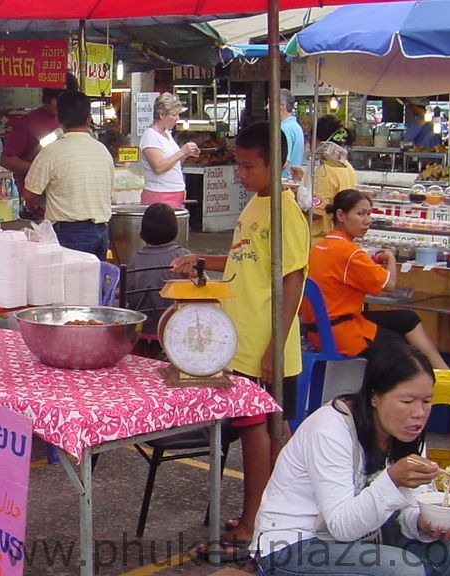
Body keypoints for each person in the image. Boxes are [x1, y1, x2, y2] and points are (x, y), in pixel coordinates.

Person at [171, 121, 309, 561]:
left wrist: (272, 348)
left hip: (265, 346)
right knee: (265, 436)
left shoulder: (285, 212)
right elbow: (241, 259)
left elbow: (292, 281)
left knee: (259, 436)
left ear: (278, 164)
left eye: (249, 166)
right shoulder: (255, 205)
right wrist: (201, 258)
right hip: (241, 341)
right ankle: (264, 514)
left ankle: (252, 526)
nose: (240, 173)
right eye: (238, 164)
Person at [253, 343, 450, 576]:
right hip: (293, 544)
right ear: (374, 397)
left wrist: (422, 522)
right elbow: (341, 526)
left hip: (363, 536)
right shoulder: (329, 430)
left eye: (427, 401)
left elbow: (410, 505)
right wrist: (392, 480)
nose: (419, 413)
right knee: (401, 569)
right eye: (407, 401)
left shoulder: (407, 432)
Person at [304, 189, 449, 369]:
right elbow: (389, 285)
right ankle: (440, 377)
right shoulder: (350, 253)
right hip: (341, 333)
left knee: (407, 318)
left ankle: (445, 372)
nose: (367, 221)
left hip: (319, 329)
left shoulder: (319, 247)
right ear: (341, 215)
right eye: (360, 214)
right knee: (399, 345)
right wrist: (391, 258)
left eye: (369, 214)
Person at [23, 90, 115, 261]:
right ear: (88, 119)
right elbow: (109, 193)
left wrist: (34, 206)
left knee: (68, 285)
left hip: (68, 234)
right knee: (94, 284)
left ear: (58, 119)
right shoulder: (103, 152)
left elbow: (29, 196)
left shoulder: (51, 152)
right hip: (101, 231)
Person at [125, 203, 190, 336]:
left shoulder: (134, 262)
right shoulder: (185, 257)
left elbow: (128, 298)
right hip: (180, 329)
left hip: (144, 331)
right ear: (174, 229)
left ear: (143, 230)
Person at [0, 88, 62, 221]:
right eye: (61, 101)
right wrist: (40, 169)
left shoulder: (70, 122)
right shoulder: (28, 122)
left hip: (64, 201)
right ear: (50, 100)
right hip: (35, 200)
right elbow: (6, 160)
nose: (65, 106)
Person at [293, 115, 357, 243]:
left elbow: (316, 212)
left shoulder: (326, 171)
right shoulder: (347, 166)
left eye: (311, 139)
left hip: (320, 241)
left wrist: (291, 198)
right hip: (337, 238)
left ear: (319, 142)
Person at [139, 93, 201, 208]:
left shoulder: (167, 133)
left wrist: (186, 154)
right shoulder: (150, 136)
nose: (177, 118)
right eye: (174, 115)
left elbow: (172, 162)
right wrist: (181, 152)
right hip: (160, 194)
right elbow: (158, 167)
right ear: (162, 115)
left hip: (175, 192)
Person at [278, 88, 304, 180]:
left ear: (282, 105)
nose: (267, 107)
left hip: (283, 182)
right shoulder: (296, 126)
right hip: (293, 181)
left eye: (270, 103)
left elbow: (284, 162)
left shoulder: (285, 129)